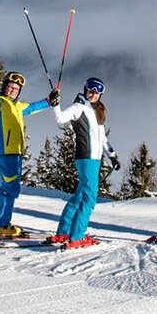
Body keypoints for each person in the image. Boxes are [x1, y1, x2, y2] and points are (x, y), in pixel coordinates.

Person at [0, 71, 52, 238]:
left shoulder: (17, 106)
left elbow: (32, 107)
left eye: (16, 89)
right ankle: (0, 225)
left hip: (14, 152)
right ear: (4, 87)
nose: (12, 91)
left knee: (6, 186)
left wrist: (49, 101)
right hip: (6, 151)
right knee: (11, 188)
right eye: (10, 87)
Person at [49, 77, 112, 248]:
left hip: (94, 158)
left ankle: (64, 232)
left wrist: (111, 154)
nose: (93, 94)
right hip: (87, 157)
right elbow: (61, 119)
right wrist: (55, 104)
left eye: (98, 92)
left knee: (79, 196)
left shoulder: (96, 110)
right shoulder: (79, 107)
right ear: (85, 89)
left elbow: (102, 137)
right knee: (89, 198)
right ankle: (77, 236)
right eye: (91, 90)